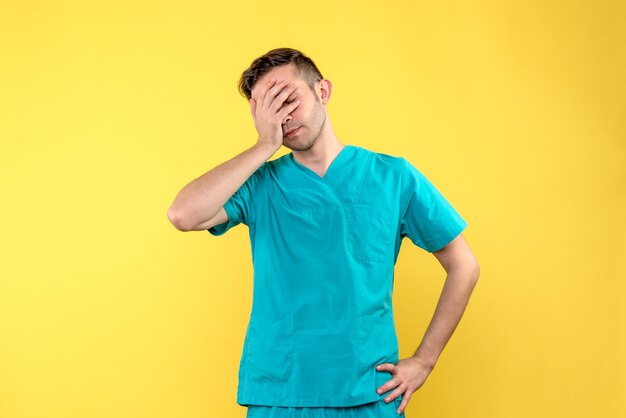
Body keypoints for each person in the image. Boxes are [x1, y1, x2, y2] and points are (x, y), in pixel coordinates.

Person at [167, 47, 480, 418]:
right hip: (279, 392)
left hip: (369, 392)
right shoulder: (259, 184)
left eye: (288, 99)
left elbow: (464, 265)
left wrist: (425, 361)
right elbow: (183, 214)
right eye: (269, 109)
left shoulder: (393, 178)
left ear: (323, 91)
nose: (283, 117)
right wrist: (264, 145)